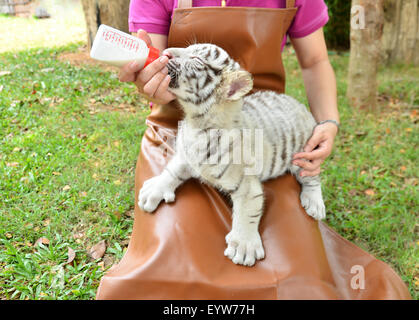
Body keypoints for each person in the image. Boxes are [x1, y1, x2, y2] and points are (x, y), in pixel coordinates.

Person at [96, 0, 411, 299]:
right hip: (176, 130)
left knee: (297, 280)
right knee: (169, 275)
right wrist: (150, 81)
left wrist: (327, 122)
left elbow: (315, 60)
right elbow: (159, 65)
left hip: (262, 134)